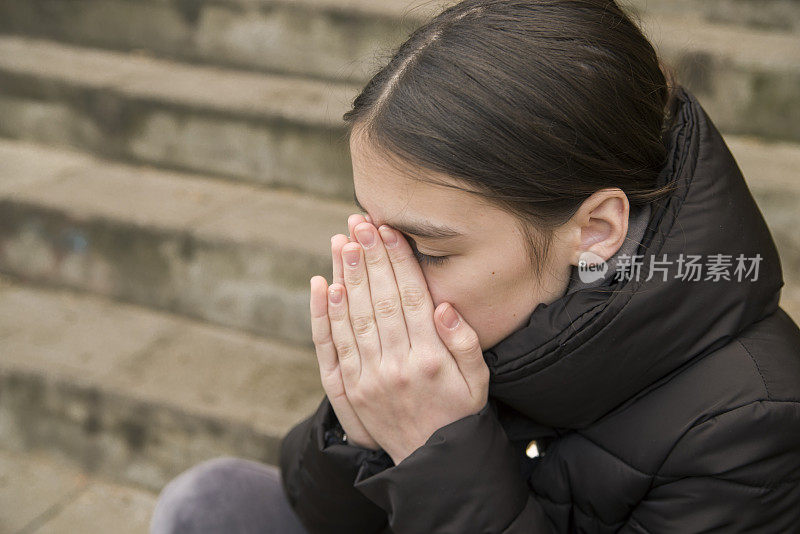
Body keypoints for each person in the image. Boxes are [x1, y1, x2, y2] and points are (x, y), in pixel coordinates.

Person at [150, 0, 800, 532]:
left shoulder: (753, 419)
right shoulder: (489, 305)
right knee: (209, 502)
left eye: (429, 249)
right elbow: (320, 514)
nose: (386, 272)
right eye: (371, 227)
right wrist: (362, 430)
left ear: (596, 230)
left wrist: (438, 451)